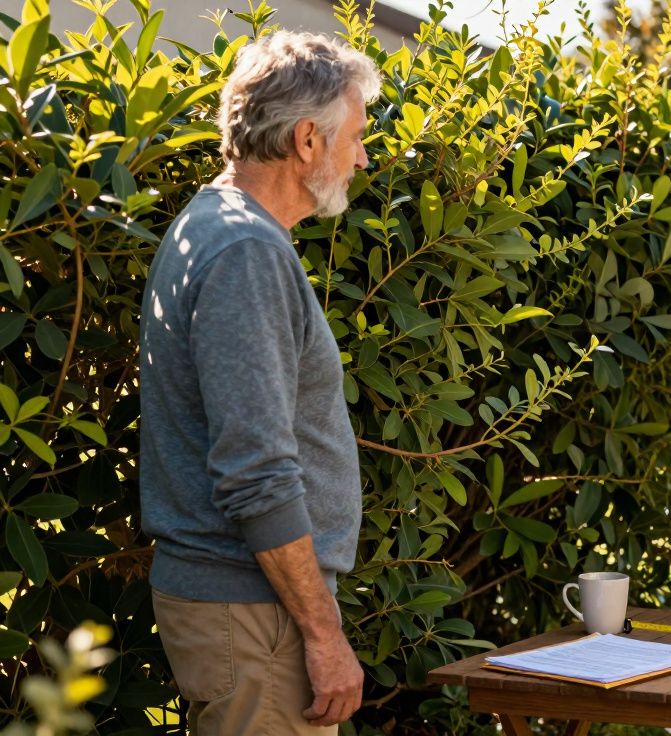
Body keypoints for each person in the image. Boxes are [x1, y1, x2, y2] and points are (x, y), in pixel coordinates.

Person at [139, 30, 380, 734]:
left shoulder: (217, 226)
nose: (362, 156)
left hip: (241, 608)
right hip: (255, 615)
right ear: (308, 139)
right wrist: (322, 632)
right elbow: (256, 472)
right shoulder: (245, 250)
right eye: (356, 135)